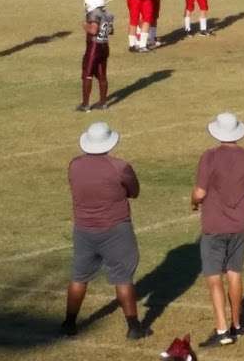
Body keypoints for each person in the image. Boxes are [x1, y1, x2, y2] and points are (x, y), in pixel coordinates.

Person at [63, 122, 150, 340]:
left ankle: (69, 322)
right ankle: (133, 326)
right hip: (115, 228)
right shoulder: (119, 167)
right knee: (122, 278)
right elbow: (134, 191)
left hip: (83, 228)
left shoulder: (75, 165)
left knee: (79, 276)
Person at [191, 112, 244, 347]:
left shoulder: (209, 157)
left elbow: (200, 193)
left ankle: (222, 330)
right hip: (239, 225)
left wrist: (193, 201)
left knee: (214, 278)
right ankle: (237, 324)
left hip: (214, 226)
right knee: (235, 274)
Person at [78, 0, 114, 112]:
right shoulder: (107, 14)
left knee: (87, 75)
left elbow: (93, 30)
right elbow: (111, 31)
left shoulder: (94, 14)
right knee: (102, 75)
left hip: (94, 47)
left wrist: (84, 25)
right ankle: (103, 103)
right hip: (104, 46)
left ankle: (85, 105)